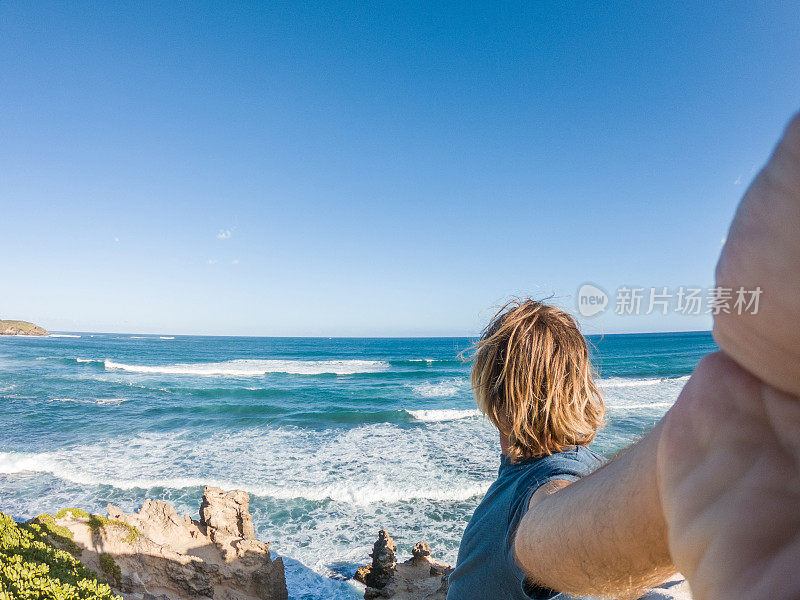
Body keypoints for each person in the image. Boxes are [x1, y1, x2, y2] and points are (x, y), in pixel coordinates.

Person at [447, 112, 800, 600]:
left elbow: (555, 528)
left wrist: (704, 472)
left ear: (493, 390)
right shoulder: (559, 471)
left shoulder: (546, 487)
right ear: (578, 386)